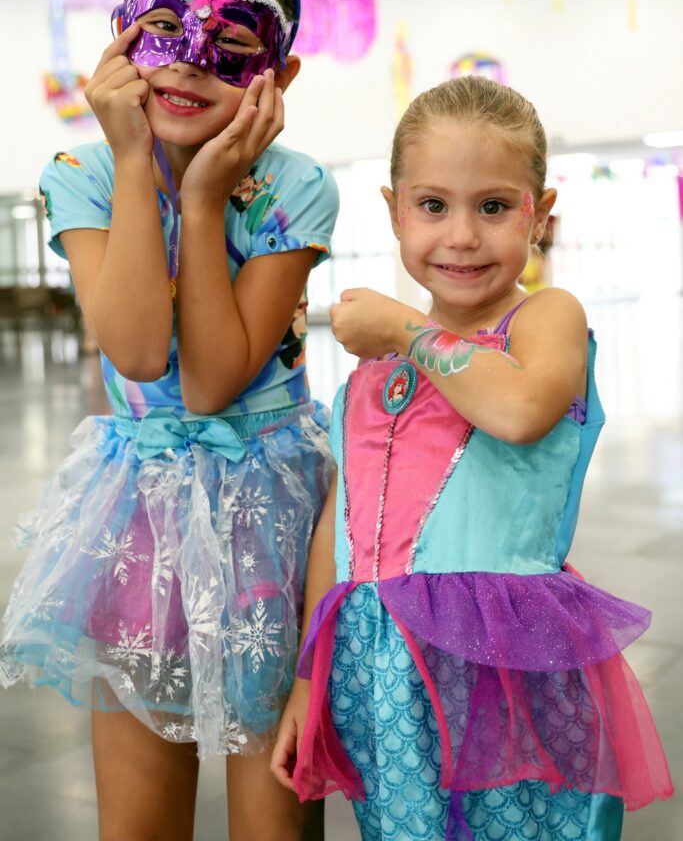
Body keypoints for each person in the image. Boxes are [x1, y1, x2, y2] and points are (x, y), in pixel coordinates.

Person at [0, 0, 337, 841]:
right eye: (161, 32)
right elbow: (140, 352)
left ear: (278, 73)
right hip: (137, 517)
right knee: (137, 822)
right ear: (120, 41)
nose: (190, 64)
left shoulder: (293, 188)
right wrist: (133, 157)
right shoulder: (84, 175)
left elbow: (211, 379)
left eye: (231, 44)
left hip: (272, 518)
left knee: (273, 819)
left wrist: (199, 198)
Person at [271, 76, 673, 840]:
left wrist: (403, 329)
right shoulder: (369, 377)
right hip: (382, 675)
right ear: (394, 210)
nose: (460, 235)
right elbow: (338, 528)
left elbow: (518, 411)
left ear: (538, 215)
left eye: (492, 207)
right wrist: (306, 679)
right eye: (432, 205)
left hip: (505, 672)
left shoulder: (544, 319)